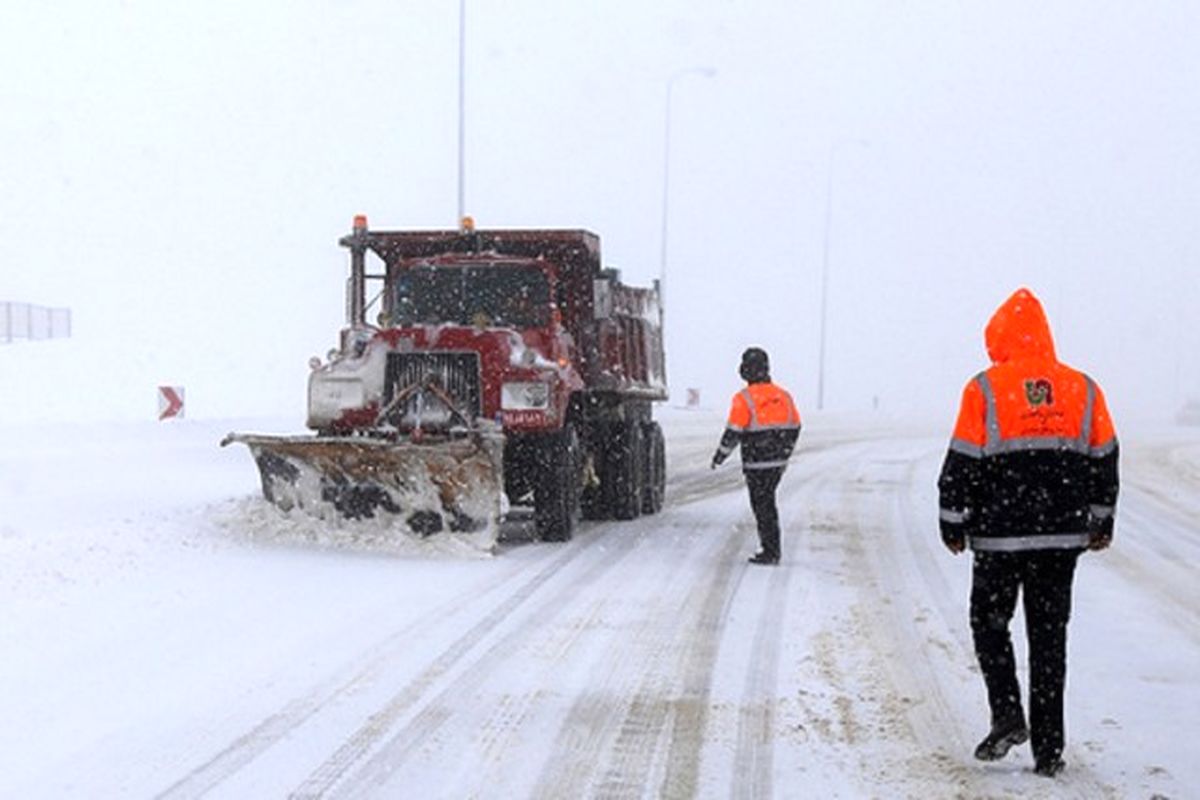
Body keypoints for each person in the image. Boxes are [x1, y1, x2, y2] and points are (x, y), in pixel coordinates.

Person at [937, 287, 1119, 778]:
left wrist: (952, 521)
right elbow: (1105, 459)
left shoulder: (985, 388)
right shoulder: (1084, 388)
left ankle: (1007, 713)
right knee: (1049, 638)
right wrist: (1101, 520)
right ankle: (1050, 750)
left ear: (1000, 337)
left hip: (998, 539)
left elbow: (961, 462)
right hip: (1061, 540)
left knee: (990, 624)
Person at [711, 347, 802, 565]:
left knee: (762, 505)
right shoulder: (784, 395)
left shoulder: (743, 398)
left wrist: (720, 456)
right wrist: (784, 451)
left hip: (756, 463)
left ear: (745, 371)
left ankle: (771, 551)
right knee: (767, 503)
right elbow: (795, 425)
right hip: (777, 463)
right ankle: (771, 548)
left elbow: (733, 432)